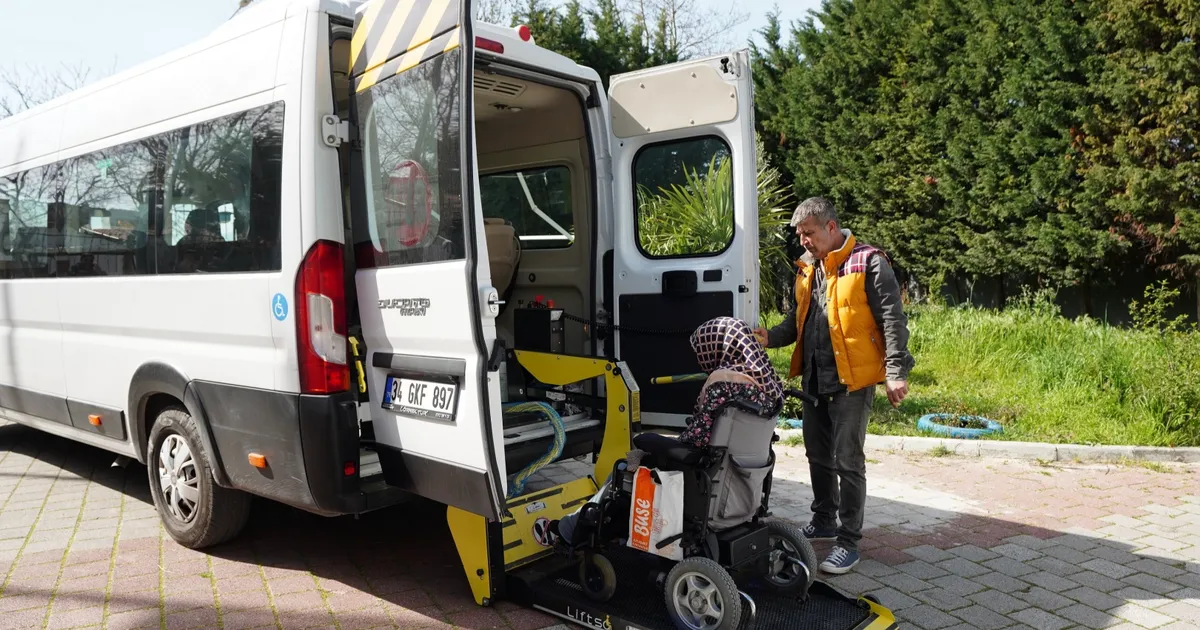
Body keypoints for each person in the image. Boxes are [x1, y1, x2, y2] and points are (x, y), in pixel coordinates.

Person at [753, 196, 914, 575]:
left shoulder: (869, 261)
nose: (803, 242)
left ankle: (848, 541)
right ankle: (823, 520)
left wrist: (895, 371)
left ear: (829, 227)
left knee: (848, 461)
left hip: (851, 382)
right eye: (800, 236)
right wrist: (768, 337)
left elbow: (893, 320)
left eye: (808, 234)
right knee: (817, 456)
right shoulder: (808, 268)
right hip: (814, 377)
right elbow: (796, 321)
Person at [550, 316, 784, 546]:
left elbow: (697, 442)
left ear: (718, 346)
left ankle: (569, 530)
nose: (702, 358)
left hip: (705, 484)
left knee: (624, 467)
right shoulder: (767, 386)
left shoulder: (722, 383)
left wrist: (650, 442)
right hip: (744, 488)